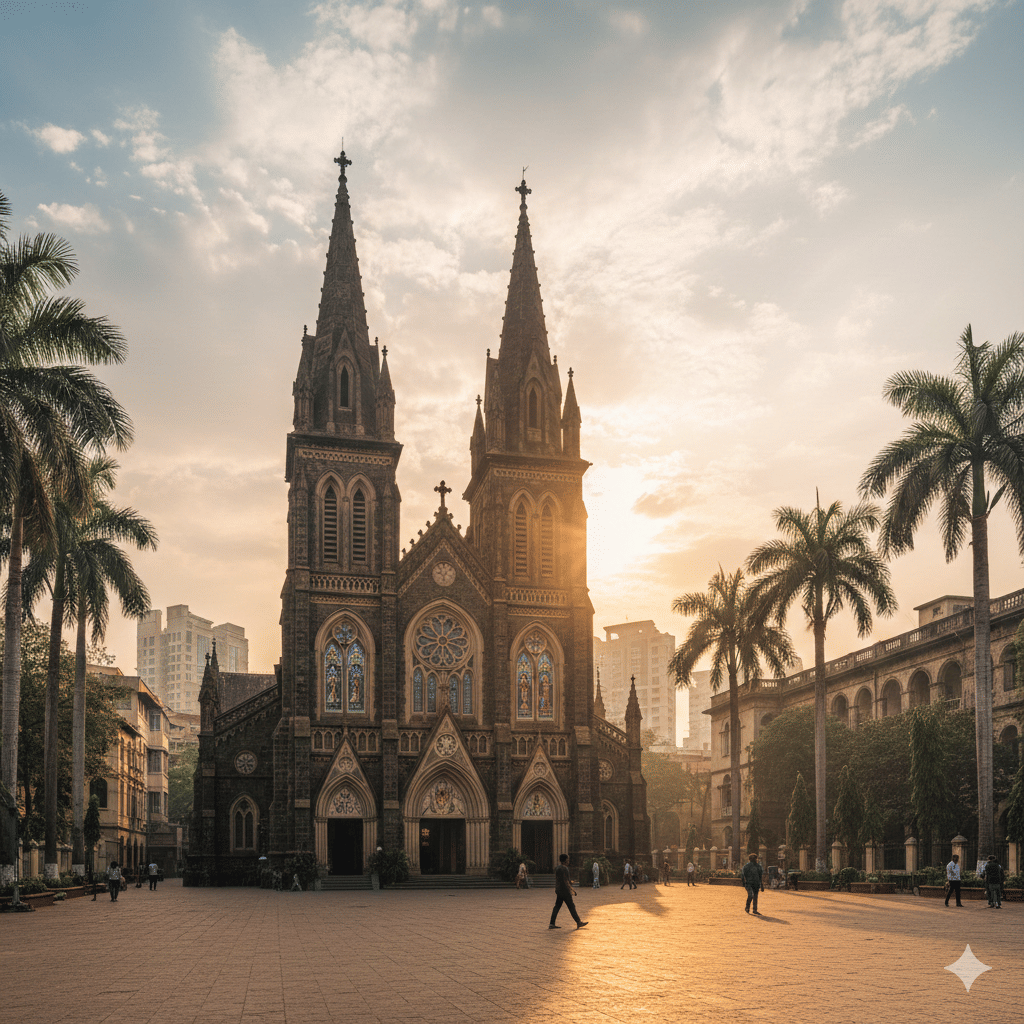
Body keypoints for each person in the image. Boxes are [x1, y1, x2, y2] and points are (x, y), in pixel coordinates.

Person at [549, 853, 587, 930]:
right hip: (565, 891)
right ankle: (578, 922)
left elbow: (560, 880)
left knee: (557, 907)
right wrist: (572, 889)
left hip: (559, 890)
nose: (569, 860)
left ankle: (552, 923)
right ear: (565, 860)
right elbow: (567, 881)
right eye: (568, 859)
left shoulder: (557, 868)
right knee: (571, 907)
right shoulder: (565, 869)